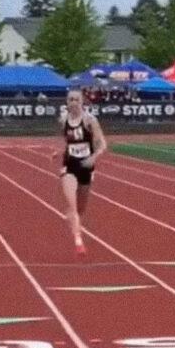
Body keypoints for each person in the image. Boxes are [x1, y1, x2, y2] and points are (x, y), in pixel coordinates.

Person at [52, 89, 107, 255]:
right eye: (70, 100)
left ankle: (75, 220)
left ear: (82, 102)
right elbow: (66, 142)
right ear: (67, 102)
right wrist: (59, 152)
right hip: (70, 164)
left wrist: (94, 157)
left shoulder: (90, 121)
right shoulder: (63, 120)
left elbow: (102, 144)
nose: (73, 102)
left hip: (86, 166)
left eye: (76, 99)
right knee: (72, 204)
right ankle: (78, 240)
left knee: (81, 208)